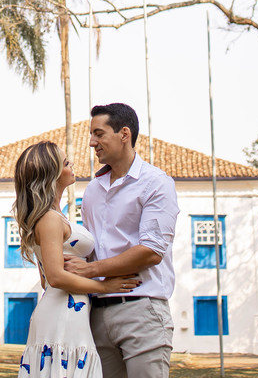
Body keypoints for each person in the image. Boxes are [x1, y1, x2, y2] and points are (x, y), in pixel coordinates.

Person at [65, 103, 179, 378]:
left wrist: (92, 271)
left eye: (99, 134)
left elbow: (151, 251)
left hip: (142, 309)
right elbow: (91, 249)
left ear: (124, 134)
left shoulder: (156, 183)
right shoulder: (92, 191)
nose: (92, 142)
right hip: (96, 314)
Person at [13, 141, 142, 377]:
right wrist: (104, 285)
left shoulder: (54, 216)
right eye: (64, 162)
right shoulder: (50, 219)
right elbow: (54, 277)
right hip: (61, 315)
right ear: (51, 174)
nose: (71, 164)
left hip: (68, 311)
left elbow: (45, 280)